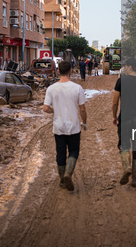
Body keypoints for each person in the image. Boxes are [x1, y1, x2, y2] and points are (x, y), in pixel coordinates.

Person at [43, 61, 87, 191]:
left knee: (60, 153)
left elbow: (45, 108)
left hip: (58, 127)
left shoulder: (51, 88)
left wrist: (54, 111)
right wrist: (84, 122)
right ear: (70, 71)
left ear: (58, 71)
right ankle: (68, 173)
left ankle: (62, 180)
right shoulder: (77, 88)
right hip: (73, 126)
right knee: (74, 151)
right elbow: (82, 109)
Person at [112, 57, 136, 187]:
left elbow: (115, 102)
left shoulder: (121, 81)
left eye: (125, 66)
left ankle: (126, 167)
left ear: (130, 67)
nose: (123, 68)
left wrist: (114, 116)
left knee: (124, 146)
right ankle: (135, 179)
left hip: (124, 119)